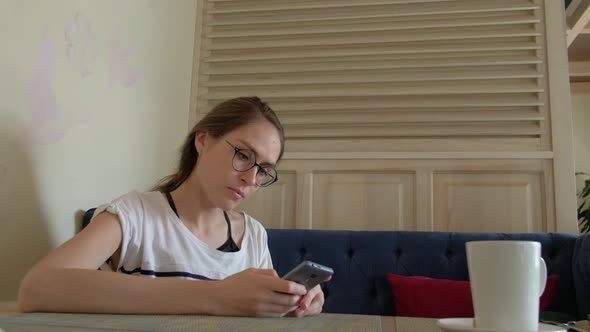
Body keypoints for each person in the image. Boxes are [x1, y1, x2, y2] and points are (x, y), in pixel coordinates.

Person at [18, 96, 328, 317]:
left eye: (263, 170)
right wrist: (216, 296)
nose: (250, 178)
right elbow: (37, 288)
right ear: (203, 141)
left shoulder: (254, 236)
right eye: (244, 155)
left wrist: (284, 305)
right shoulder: (135, 215)